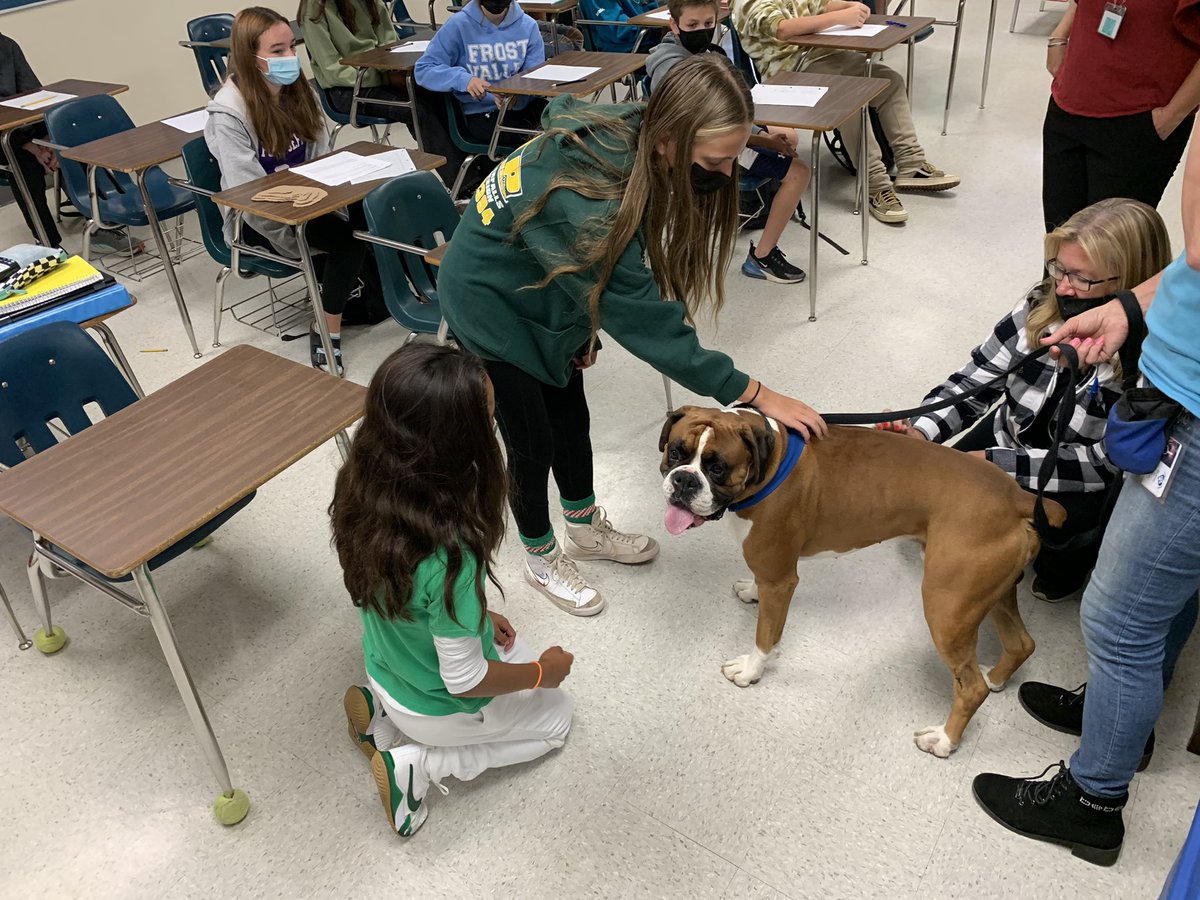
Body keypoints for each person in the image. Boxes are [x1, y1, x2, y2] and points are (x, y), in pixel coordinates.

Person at [436, 55, 828, 617]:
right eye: (714, 160)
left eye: (731, 157)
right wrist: (754, 393)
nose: (723, 173)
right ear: (671, 139)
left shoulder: (640, 136)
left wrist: (582, 330)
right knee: (531, 442)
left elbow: (591, 269)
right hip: (491, 305)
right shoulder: (594, 194)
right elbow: (639, 313)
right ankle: (540, 555)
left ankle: (584, 529)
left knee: (572, 422)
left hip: (543, 285)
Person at [971, 118, 1200, 868]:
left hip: (1186, 420)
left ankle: (1092, 801)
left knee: (1119, 617)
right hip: (1178, 398)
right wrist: (1133, 307)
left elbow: (1198, 246)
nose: (1062, 290)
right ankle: (1120, 727)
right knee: (1158, 602)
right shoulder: (1055, 306)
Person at [330, 342, 575, 837]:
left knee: (509, 644)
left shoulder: (358, 489)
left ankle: (380, 712)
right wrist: (540, 674)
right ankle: (419, 765)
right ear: (457, 444)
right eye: (487, 417)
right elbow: (464, 680)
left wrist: (480, 618)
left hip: (386, 667)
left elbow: (404, 599)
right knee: (558, 721)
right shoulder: (451, 555)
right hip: (437, 704)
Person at [880, 198, 1172, 602]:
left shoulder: (1151, 356)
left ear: (1131, 284)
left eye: (1082, 279)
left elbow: (1105, 465)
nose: (1063, 287)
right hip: (1013, 436)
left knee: (1057, 561)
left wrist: (994, 467)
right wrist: (921, 429)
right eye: (1059, 269)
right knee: (939, 494)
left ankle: (1067, 561)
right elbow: (977, 381)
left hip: (1080, 474)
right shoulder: (1041, 302)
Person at [207, 6, 372, 373]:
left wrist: (336, 203)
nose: (290, 57)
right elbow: (248, 196)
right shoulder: (229, 112)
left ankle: (362, 292)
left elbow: (321, 160)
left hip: (312, 203)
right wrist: (297, 242)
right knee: (347, 241)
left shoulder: (299, 92)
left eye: (291, 47)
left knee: (372, 208)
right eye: (277, 51)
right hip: (263, 218)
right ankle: (324, 329)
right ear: (250, 59)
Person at [731, 0, 960, 225]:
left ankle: (911, 162)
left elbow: (820, 5)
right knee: (850, 100)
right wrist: (839, 18)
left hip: (826, 57)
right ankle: (875, 185)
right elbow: (781, 28)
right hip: (791, 74)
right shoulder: (746, 3)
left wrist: (850, 7)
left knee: (891, 82)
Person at [646, 0, 810, 284]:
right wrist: (759, 140)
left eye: (708, 24)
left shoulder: (714, 56)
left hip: (729, 147)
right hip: (696, 154)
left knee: (796, 161)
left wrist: (764, 138)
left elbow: (735, 114)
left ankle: (762, 255)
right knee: (794, 171)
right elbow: (701, 132)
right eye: (692, 25)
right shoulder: (669, 68)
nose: (702, 31)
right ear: (674, 26)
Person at [1041, 0, 1200, 233]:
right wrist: (1059, 35)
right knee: (1060, 247)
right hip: (1070, 102)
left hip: (1140, 121)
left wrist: (1170, 117)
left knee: (1109, 256)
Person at [414, 0, 546, 193]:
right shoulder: (458, 25)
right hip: (479, 115)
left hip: (519, 108)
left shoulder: (528, 25)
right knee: (543, 140)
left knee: (566, 124)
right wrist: (464, 80)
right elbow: (424, 69)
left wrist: (517, 99)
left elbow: (534, 78)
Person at [297, 0, 415, 134]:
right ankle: (436, 154)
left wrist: (398, 70)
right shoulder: (314, 9)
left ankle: (438, 152)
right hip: (346, 88)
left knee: (434, 93)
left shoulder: (372, 3)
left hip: (380, 75)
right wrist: (385, 78)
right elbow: (334, 71)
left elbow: (390, 43)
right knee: (414, 109)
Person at [0, 33, 60, 248]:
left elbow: (34, 95)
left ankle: (100, 222)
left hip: (22, 130)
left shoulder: (6, 45)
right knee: (23, 163)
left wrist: (46, 138)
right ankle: (48, 241)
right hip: (6, 140)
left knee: (67, 147)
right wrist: (27, 144)